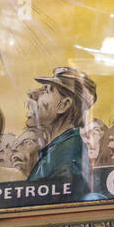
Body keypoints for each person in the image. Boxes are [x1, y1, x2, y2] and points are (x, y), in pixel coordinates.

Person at [27, 67, 97, 199]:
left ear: (64, 105)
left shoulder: (67, 154)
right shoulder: (58, 148)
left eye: (45, 91)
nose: (33, 95)